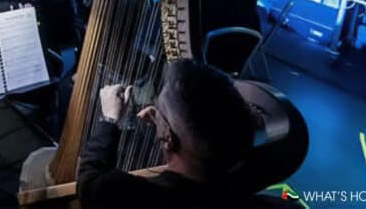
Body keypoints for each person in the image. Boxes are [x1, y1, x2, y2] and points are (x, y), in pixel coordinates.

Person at [79, 59, 266, 208]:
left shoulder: (134, 195)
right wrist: (165, 122)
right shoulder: (243, 180)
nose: (154, 111)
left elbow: (89, 184)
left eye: (159, 108)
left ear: (168, 138)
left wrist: (110, 119)